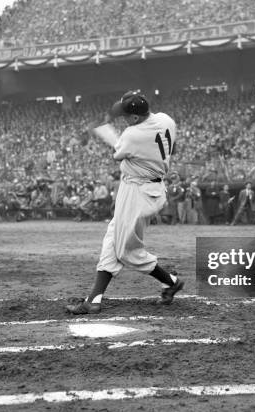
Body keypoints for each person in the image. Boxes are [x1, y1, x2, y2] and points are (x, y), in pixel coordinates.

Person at [66, 91, 184, 315]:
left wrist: (104, 130)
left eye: (126, 116)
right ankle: (94, 298)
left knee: (126, 251)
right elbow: (172, 147)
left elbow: (118, 154)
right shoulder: (166, 119)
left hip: (139, 191)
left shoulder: (132, 134)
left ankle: (170, 281)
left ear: (136, 118)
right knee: (112, 239)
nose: (124, 119)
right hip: (146, 186)